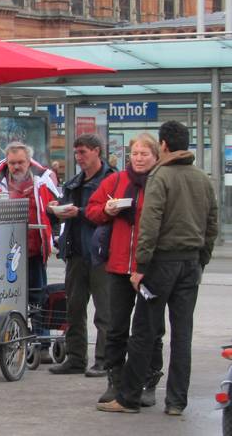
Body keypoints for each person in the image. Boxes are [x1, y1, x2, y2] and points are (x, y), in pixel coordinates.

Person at [98, 121, 218, 416]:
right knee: (182, 334)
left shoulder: (160, 176)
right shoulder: (202, 178)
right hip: (190, 263)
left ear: (163, 145)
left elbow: (149, 224)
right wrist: (201, 258)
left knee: (144, 330)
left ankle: (128, 398)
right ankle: (176, 402)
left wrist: (140, 266)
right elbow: (212, 223)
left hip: (160, 264)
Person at [86, 133, 165, 406]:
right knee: (116, 326)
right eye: (135, 153)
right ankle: (115, 381)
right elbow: (92, 211)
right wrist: (107, 210)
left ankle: (148, 383)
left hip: (151, 267)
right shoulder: (116, 181)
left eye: (145, 154)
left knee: (152, 330)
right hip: (118, 265)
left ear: (156, 157)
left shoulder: (160, 182)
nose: (139, 158)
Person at [48, 134, 114, 377]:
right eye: (76, 153)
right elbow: (64, 212)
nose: (79, 158)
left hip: (100, 253)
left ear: (97, 151)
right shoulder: (74, 182)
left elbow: (109, 213)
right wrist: (55, 210)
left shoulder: (111, 179)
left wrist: (80, 212)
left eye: (83, 152)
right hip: (75, 251)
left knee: (104, 310)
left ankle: (104, 360)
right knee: (74, 308)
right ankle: (75, 358)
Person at [0, 142, 59, 329]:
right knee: (8, 296)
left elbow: (56, 207)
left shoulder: (43, 178)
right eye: (12, 162)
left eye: (21, 162)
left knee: (38, 295)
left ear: (29, 161)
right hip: (7, 250)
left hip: (34, 248)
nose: (16, 167)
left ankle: (42, 339)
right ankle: (10, 339)